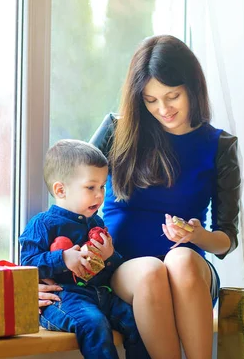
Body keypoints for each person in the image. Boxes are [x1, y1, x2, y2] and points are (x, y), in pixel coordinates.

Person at [39, 35, 241, 359]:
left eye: (172, 96)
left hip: (193, 277)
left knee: (182, 258)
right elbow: (66, 202)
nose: (163, 109)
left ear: (192, 87)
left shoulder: (220, 146)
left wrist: (196, 235)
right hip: (125, 270)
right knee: (150, 271)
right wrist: (41, 274)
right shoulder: (117, 131)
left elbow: (226, 241)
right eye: (150, 99)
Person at [20, 139, 149, 359]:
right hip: (63, 299)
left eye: (102, 187)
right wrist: (63, 258)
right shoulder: (42, 223)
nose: (99, 195)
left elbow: (111, 271)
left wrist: (110, 257)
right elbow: (27, 264)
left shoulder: (97, 224)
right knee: (93, 323)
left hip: (101, 295)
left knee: (138, 320)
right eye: (91, 187)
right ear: (60, 190)